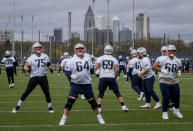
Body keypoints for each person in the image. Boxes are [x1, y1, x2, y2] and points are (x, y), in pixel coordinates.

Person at [59, 43, 105, 126]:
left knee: (93, 103)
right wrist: (71, 77)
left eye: (82, 48)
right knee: (70, 102)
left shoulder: (88, 59)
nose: (80, 50)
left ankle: (99, 117)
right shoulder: (71, 60)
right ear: (75, 50)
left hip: (87, 84)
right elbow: (67, 71)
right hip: (76, 84)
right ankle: (63, 118)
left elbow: (91, 70)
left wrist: (96, 72)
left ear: (84, 49)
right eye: (78, 49)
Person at [12, 42, 54, 113]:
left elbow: (48, 63)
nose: (39, 49)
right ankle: (17, 106)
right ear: (34, 49)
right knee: (27, 92)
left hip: (43, 77)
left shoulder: (45, 56)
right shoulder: (31, 58)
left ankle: (50, 106)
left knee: (47, 92)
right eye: (37, 48)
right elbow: (25, 66)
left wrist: (50, 68)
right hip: (34, 77)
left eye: (40, 47)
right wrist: (28, 69)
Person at [94, 45, 129, 113]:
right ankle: (123, 106)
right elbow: (116, 70)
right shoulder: (114, 59)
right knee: (117, 92)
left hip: (103, 77)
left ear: (104, 50)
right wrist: (115, 76)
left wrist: (97, 72)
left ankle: (99, 108)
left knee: (101, 93)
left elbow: (95, 67)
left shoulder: (100, 58)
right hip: (111, 77)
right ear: (111, 51)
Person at [152, 45, 183, 119]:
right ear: (167, 52)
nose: (172, 52)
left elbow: (179, 67)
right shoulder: (162, 59)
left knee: (177, 96)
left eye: (173, 51)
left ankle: (176, 110)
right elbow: (154, 66)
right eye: (170, 51)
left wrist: (179, 72)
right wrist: (162, 70)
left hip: (174, 80)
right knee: (166, 97)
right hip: (164, 79)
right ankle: (164, 112)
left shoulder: (178, 60)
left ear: (175, 52)